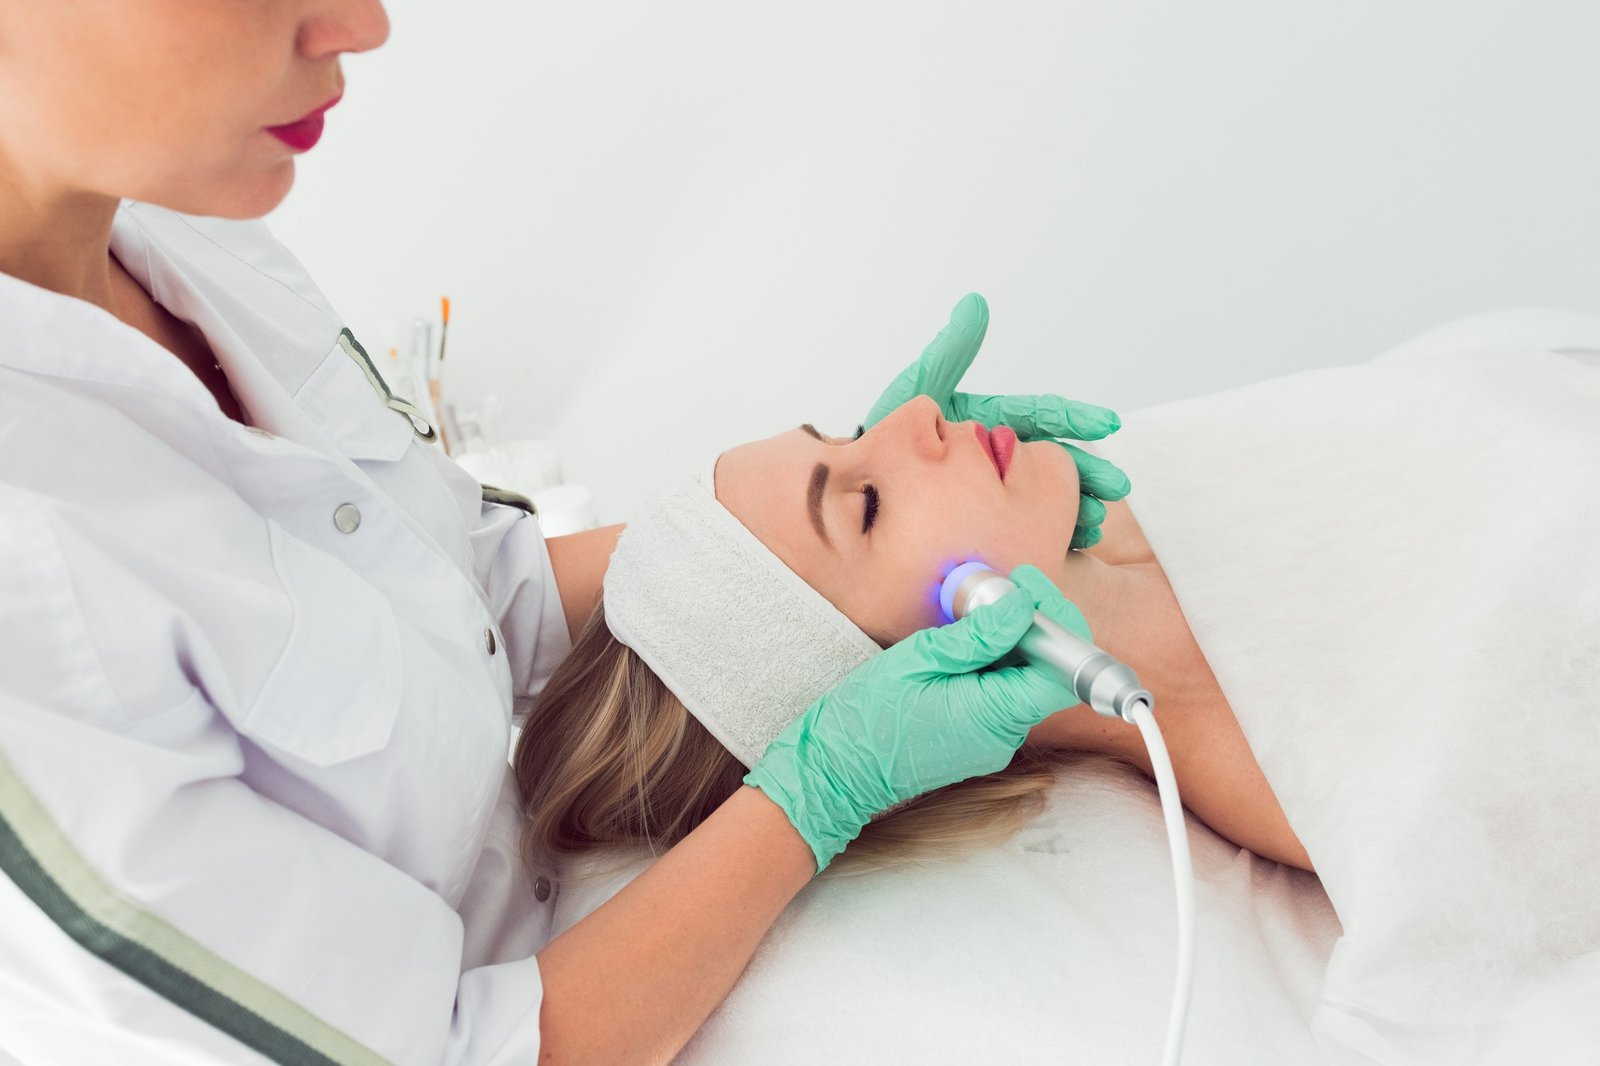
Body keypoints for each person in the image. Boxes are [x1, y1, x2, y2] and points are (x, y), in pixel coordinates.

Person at [0, 2, 1137, 1062]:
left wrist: (799, 551)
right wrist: (821, 785)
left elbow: (450, 590)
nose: (364, 23)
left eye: (840, 449)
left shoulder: (191, 240)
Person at [514, 395, 1313, 891]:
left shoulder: (1149, 477)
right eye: (866, 504)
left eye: (851, 432)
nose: (917, 415)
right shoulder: (1319, 778)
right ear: (910, 683)